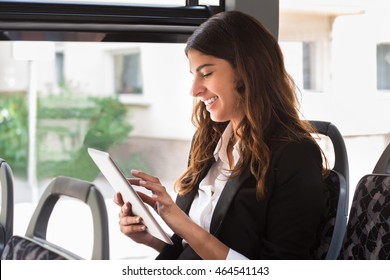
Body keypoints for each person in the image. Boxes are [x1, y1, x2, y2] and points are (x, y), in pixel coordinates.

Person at [114, 10, 326, 260]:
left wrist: (179, 221)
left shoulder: (296, 154)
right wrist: (150, 239)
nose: (195, 90)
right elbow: (191, 250)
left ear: (248, 70)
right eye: (193, 75)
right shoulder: (207, 141)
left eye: (206, 73)